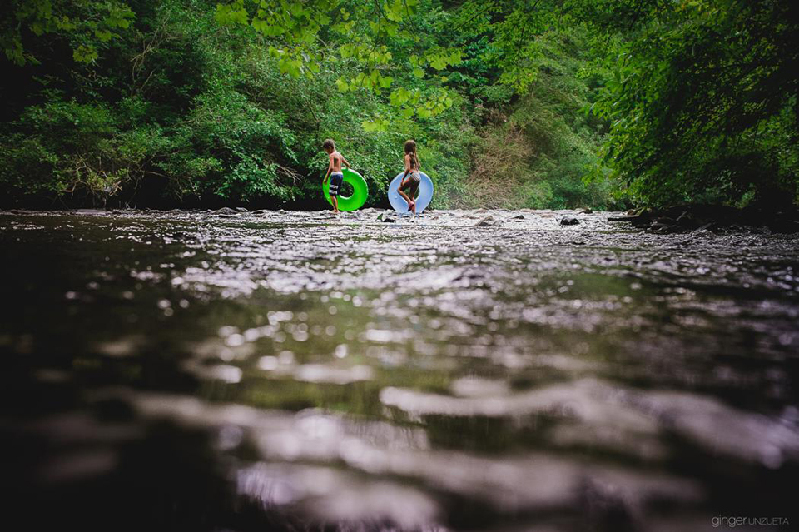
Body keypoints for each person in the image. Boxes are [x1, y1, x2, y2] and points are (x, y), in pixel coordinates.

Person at [322, 139, 350, 214]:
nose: (327, 152)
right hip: (341, 175)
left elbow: (331, 168)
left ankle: (336, 210)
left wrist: (326, 178)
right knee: (335, 194)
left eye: (326, 150)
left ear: (330, 147)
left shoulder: (332, 155)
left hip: (334, 175)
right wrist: (347, 169)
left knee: (331, 194)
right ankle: (336, 209)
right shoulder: (339, 155)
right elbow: (347, 164)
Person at [397, 139, 421, 213]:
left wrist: (403, 178)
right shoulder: (415, 156)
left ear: (406, 148)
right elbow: (418, 166)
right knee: (411, 196)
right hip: (418, 177)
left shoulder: (407, 156)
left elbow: (407, 168)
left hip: (413, 176)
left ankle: (409, 202)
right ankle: (413, 215)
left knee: (399, 190)